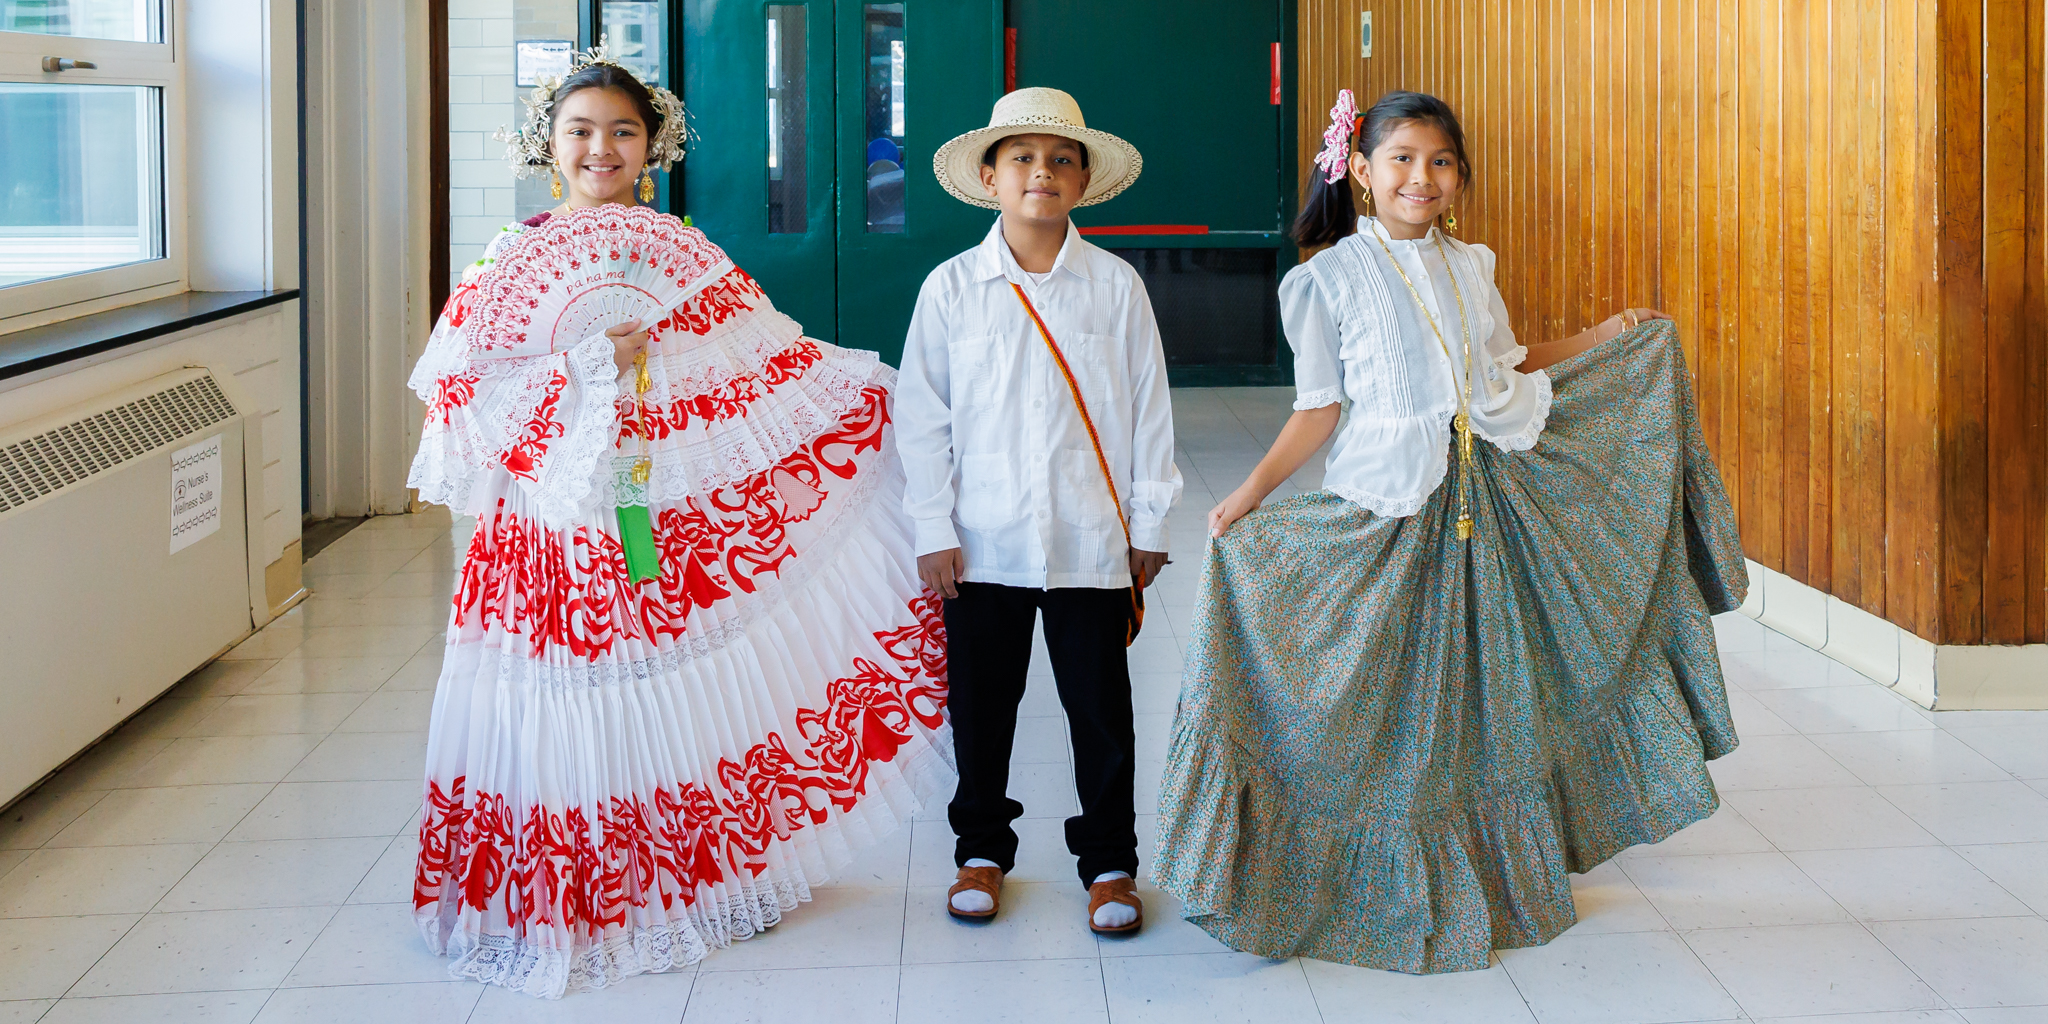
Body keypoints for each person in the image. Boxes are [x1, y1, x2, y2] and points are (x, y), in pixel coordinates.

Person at [1153, 89, 1748, 971]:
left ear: (1459, 178)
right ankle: (1346, 878)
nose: (1419, 178)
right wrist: (1248, 494)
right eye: (1400, 159)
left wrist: (1603, 336)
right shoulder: (1324, 280)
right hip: (1390, 510)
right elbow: (1318, 411)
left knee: (1492, 690)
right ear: (1360, 172)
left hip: (1496, 496)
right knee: (1384, 696)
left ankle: (1494, 871)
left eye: (1438, 162)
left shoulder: (1473, 264)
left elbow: (1504, 365)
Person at [405, 44, 950, 998]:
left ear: (651, 148)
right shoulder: (510, 257)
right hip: (545, 524)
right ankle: (570, 891)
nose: (600, 150)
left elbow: (776, 360)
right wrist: (584, 367)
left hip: (654, 508)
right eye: (580, 132)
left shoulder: (688, 255)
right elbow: (456, 389)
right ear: (550, 144)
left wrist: (878, 397)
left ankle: (675, 883)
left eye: (622, 132)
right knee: (565, 696)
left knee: (658, 686)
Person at [898, 87, 1180, 934]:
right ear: (989, 177)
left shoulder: (1117, 288)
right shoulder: (951, 290)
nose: (1041, 173)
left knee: (1101, 713)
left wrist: (1149, 525)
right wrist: (933, 529)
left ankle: (1110, 865)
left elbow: (1148, 409)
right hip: (982, 543)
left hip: (1090, 539)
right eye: (1021, 157)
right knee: (981, 707)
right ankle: (980, 851)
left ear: (1084, 180)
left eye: (1061, 159)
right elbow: (921, 420)